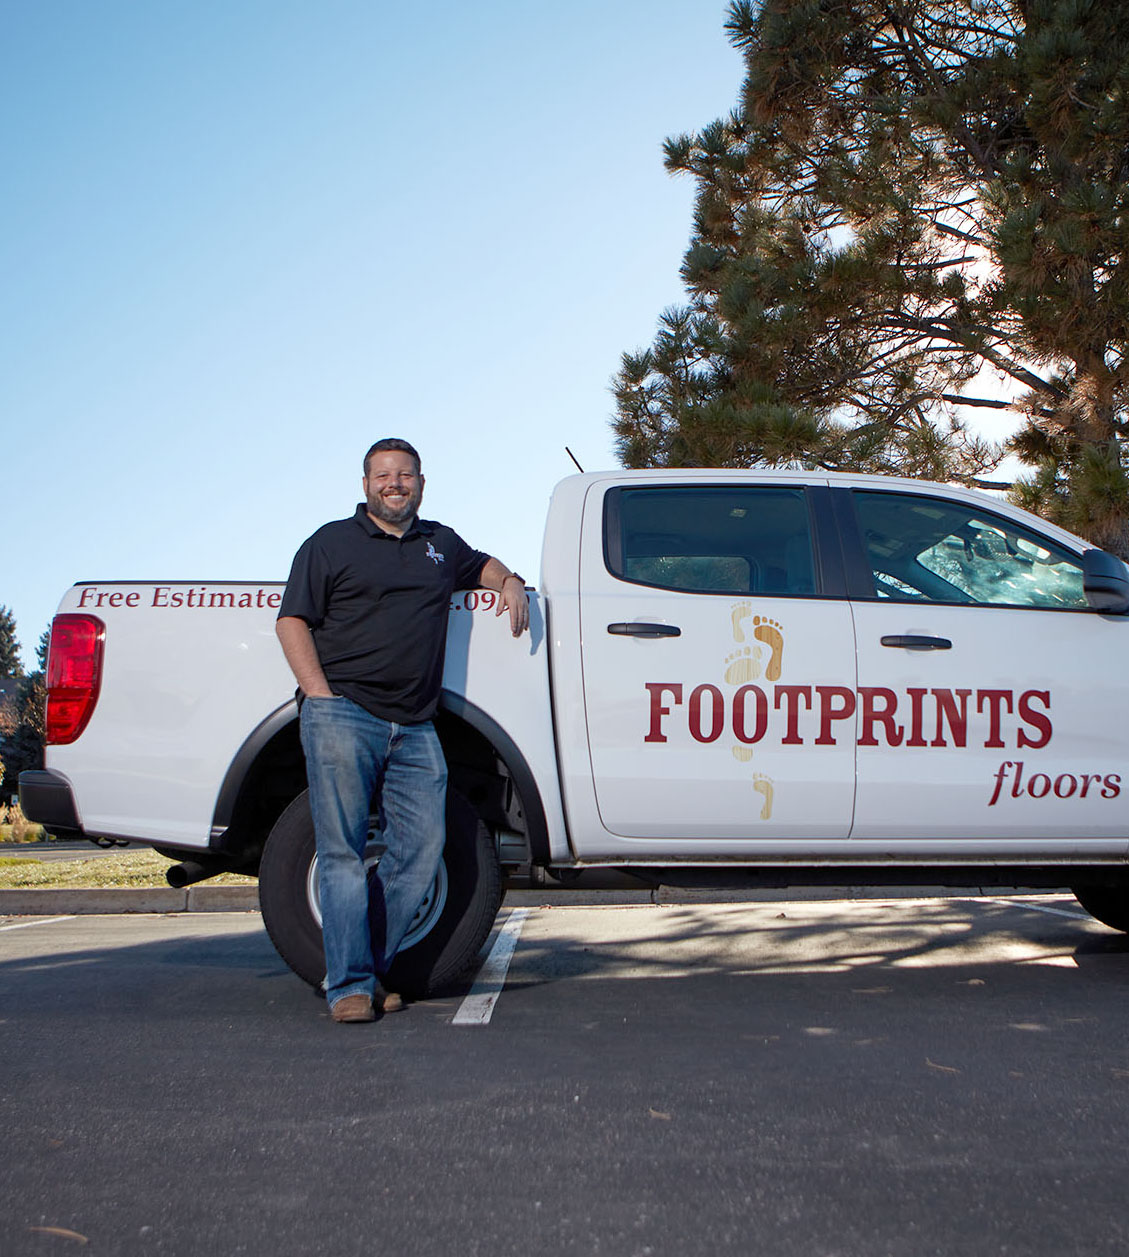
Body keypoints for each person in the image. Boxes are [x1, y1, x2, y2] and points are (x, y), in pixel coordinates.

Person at [276, 438, 529, 1024]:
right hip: (344, 714)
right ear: (365, 485)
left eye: (405, 474)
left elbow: (480, 566)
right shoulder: (329, 543)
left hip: (415, 724)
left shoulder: (439, 543)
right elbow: (292, 620)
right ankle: (350, 990)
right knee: (340, 855)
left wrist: (509, 579)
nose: (395, 484)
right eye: (383, 475)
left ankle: (367, 969)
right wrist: (319, 694)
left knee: (419, 852)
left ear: (421, 482)